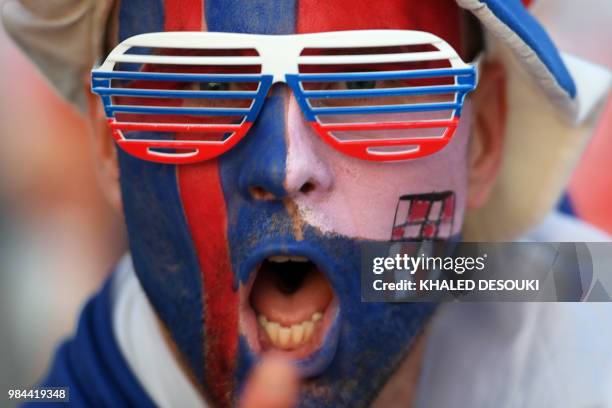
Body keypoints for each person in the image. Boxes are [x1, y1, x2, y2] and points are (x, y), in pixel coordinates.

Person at [3, 0, 611, 407]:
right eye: (202, 84)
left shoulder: (564, 291)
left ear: (483, 139)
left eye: (370, 81)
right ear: (108, 145)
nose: (286, 168)